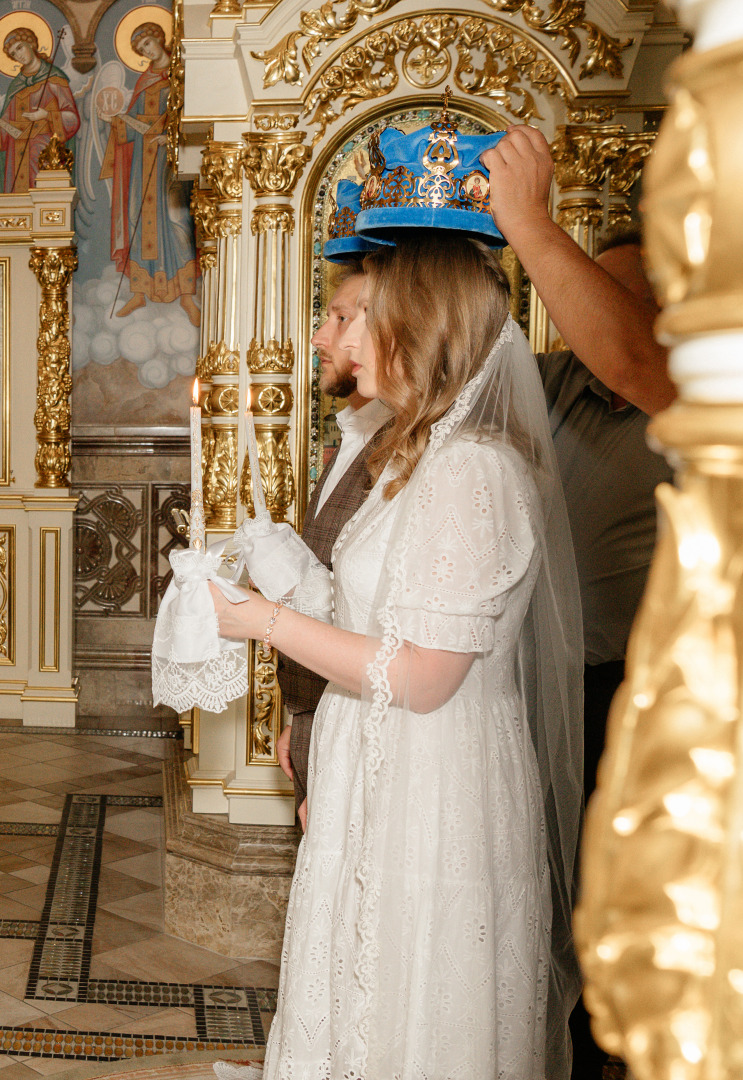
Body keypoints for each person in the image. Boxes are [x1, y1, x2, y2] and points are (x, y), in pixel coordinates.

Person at [219, 236, 582, 1078]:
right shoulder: (413, 456)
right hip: (380, 758)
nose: (338, 341)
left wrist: (264, 620)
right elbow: (377, 618)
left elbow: (423, 675)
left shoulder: (471, 473)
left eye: (361, 320)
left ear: (415, 327)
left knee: (412, 997)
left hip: (431, 778)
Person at [484, 123, 677, 1080]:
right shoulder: (550, 382)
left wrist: (529, 221)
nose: (591, 313)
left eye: (621, 297)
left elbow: (636, 358)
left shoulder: (690, 389)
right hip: (533, 684)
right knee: (536, 897)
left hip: (645, 704)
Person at [271, 264, 390, 829]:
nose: (322, 337)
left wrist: (261, 619)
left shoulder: (401, 452)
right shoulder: (353, 433)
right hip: (325, 716)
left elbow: (390, 627)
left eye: (342, 317)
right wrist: (305, 717)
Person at [101, 23, 198, 323]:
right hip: (143, 166)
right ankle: (139, 294)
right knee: (137, 220)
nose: (146, 51)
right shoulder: (144, 81)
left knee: (176, 220)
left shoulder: (181, 76)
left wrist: (169, 138)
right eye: (141, 49)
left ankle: (187, 297)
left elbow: (195, 117)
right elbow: (133, 128)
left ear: (159, 39)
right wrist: (120, 121)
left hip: (170, 164)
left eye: (148, 43)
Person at [0, 28, 81, 193]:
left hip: (44, 152)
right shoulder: (17, 86)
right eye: (13, 53)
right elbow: (7, 124)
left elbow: (72, 118)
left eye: (19, 47)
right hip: (16, 156)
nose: (18, 55)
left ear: (31, 44)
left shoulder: (54, 78)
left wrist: (47, 115)